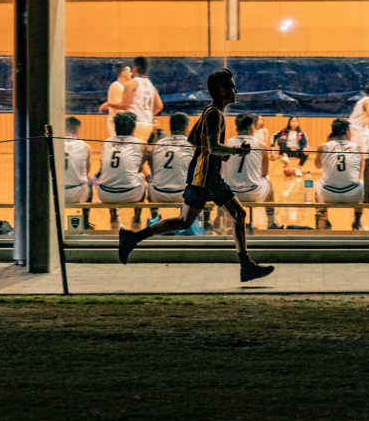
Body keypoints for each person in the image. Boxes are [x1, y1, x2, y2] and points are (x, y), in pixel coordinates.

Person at [118, 69, 275, 283]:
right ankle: (245, 265)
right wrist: (234, 152)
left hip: (205, 175)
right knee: (234, 214)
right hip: (205, 177)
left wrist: (218, 155)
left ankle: (132, 238)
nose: (235, 90)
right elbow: (211, 147)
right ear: (222, 91)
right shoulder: (214, 114)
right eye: (232, 86)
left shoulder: (210, 112)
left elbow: (194, 142)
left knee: (189, 220)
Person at [98, 111, 150, 229]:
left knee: (109, 177)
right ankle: (136, 220)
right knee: (140, 177)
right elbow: (140, 168)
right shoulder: (141, 144)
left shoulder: (106, 142)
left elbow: (102, 168)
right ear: (133, 128)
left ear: (115, 127)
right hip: (131, 194)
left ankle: (113, 219)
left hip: (105, 194)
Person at [225, 113, 278, 228]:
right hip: (253, 193)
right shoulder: (261, 145)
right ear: (252, 128)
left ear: (236, 129)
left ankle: (221, 220)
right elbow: (264, 173)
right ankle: (271, 221)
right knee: (268, 180)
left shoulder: (227, 144)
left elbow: (220, 171)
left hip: (230, 195)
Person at [314, 118, 365, 230]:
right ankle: (357, 222)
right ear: (347, 132)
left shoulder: (323, 147)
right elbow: (359, 174)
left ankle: (325, 222)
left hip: (328, 195)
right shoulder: (357, 148)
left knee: (317, 184)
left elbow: (317, 166)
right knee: (363, 184)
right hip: (352, 195)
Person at [99, 56, 163, 142]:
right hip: (148, 124)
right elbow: (159, 106)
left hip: (135, 123)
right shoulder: (151, 85)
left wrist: (109, 104)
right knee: (141, 151)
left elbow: (124, 105)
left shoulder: (131, 83)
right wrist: (147, 114)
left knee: (130, 151)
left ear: (135, 68)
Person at [148, 113, 194, 209]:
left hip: (158, 193)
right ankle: (195, 219)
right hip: (183, 194)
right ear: (186, 129)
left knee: (150, 182)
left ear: (170, 128)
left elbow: (153, 170)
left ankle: (154, 217)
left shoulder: (158, 144)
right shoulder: (192, 145)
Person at [64, 116, 95, 228]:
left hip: (55, 194)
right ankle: (85, 222)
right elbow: (86, 172)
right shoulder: (86, 147)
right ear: (78, 130)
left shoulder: (53, 144)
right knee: (89, 181)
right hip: (77, 194)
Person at [348, 83, 369, 154]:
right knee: (360, 153)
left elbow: (367, 118)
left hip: (363, 128)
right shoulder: (368, 101)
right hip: (356, 129)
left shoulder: (366, 100)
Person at [98, 64, 132, 137]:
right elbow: (117, 110)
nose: (131, 73)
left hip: (124, 123)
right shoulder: (116, 86)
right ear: (124, 73)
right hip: (116, 125)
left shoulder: (124, 87)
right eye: (129, 71)